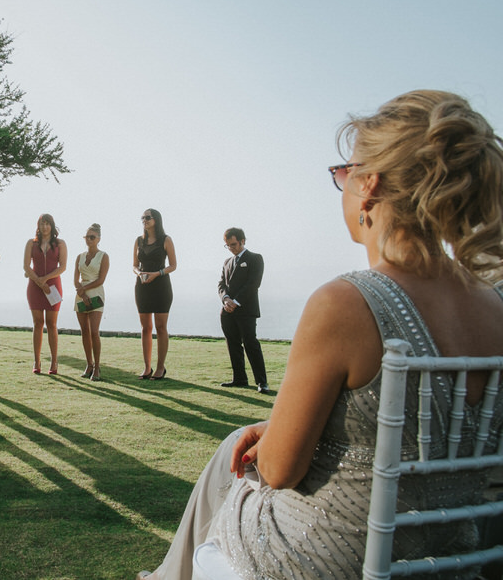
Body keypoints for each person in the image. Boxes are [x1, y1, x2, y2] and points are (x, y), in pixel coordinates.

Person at [137, 90, 503, 580]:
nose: (342, 184)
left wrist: (275, 439)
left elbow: (278, 471)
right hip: (450, 556)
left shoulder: (347, 303)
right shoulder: (493, 305)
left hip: (335, 557)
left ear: (368, 184)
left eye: (342, 173)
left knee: (233, 460)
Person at [218, 227, 269, 393]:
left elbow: (253, 284)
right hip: (227, 311)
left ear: (242, 241)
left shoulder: (255, 258)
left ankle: (262, 382)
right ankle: (239, 378)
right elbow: (221, 285)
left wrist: (236, 302)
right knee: (232, 344)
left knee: (250, 344)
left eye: (233, 244)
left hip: (246, 309)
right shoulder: (227, 262)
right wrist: (226, 299)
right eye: (228, 245)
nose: (231, 248)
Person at [133, 208, 177, 380]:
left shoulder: (166, 240)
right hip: (142, 285)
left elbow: (173, 265)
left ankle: (160, 368)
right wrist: (139, 274)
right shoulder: (138, 240)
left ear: (156, 220)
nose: (145, 220)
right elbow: (134, 265)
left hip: (161, 286)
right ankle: (146, 367)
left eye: (148, 217)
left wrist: (156, 274)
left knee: (160, 327)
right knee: (145, 328)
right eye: (142, 217)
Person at [23, 214, 68, 375]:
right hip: (34, 287)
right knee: (37, 323)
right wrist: (39, 282)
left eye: (48, 224)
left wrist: (45, 280)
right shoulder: (31, 243)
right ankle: (37, 361)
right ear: (38, 225)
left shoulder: (60, 244)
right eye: (42, 223)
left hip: (53, 286)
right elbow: (26, 266)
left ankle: (54, 361)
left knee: (51, 324)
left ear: (52, 226)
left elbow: (62, 267)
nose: (45, 227)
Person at [73, 223, 110, 381]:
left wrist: (85, 289)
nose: (88, 239)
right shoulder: (79, 257)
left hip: (96, 294)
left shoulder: (104, 256)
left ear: (98, 239)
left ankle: (97, 367)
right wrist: (81, 292)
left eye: (92, 237)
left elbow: (101, 279)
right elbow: (75, 279)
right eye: (87, 237)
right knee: (85, 332)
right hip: (81, 295)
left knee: (94, 331)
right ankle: (88, 364)